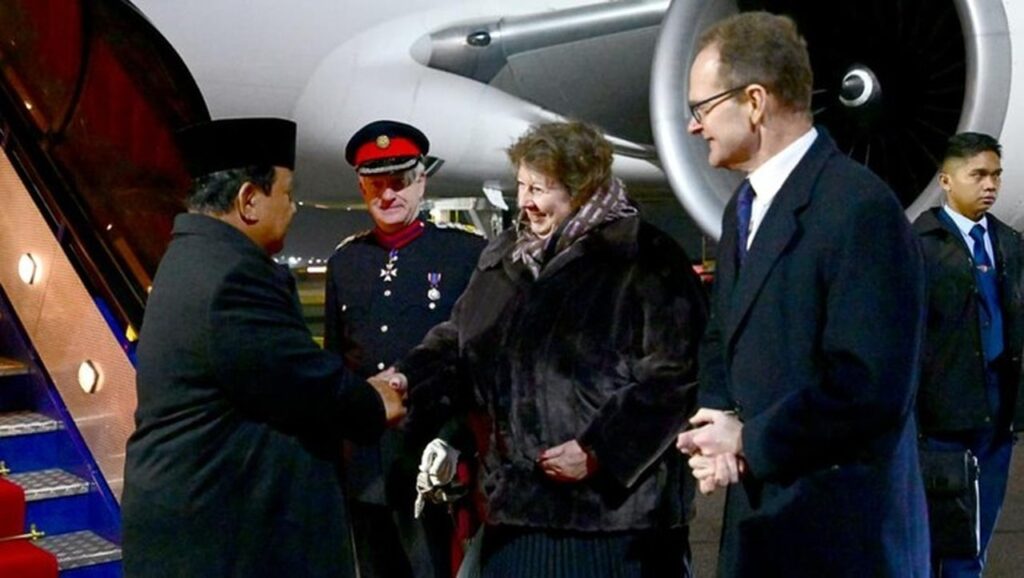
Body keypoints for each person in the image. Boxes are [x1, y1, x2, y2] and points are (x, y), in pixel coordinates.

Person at [674, 12, 930, 577]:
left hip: (842, 537)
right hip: (766, 525)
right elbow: (724, 333)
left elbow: (868, 388)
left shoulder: (860, 208)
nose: (693, 126)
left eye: (702, 108)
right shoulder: (742, 210)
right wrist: (716, 424)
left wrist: (748, 441)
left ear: (755, 102)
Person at [391, 120, 706, 577]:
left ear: (581, 188)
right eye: (521, 185)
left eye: (538, 189)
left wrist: (600, 451)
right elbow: (459, 341)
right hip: (515, 512)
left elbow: (675, 378)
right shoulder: (504, 257)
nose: (525, 201)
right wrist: (408, 377)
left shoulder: (645, 258)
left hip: (615, 523)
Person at [121, 118, 405, 578]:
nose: (293, 209)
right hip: (227, 544)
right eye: (287, 194)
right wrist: (374, 401)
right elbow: (301, 380)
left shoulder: (194, 256)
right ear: (249, 200)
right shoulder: (231, 277)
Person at [326, 119, 486, 578]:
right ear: (362, 187)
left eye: (399, 182)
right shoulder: (346, 261)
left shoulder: (464, 255)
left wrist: (461, 442)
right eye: (376, 185)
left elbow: (476, 360)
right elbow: (338, 361)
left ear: (421, 182)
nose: (388, 195)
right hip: (366, 464)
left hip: (436, 455)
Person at [913, 132, 1024, 577]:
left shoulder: (1009, 243)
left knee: (974, 541)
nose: (990, 185)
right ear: (946, 180)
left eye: (996, 175)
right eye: (978, 175)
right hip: (939, 417)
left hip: (997, 412)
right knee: (931, 541)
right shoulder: (919, 244)